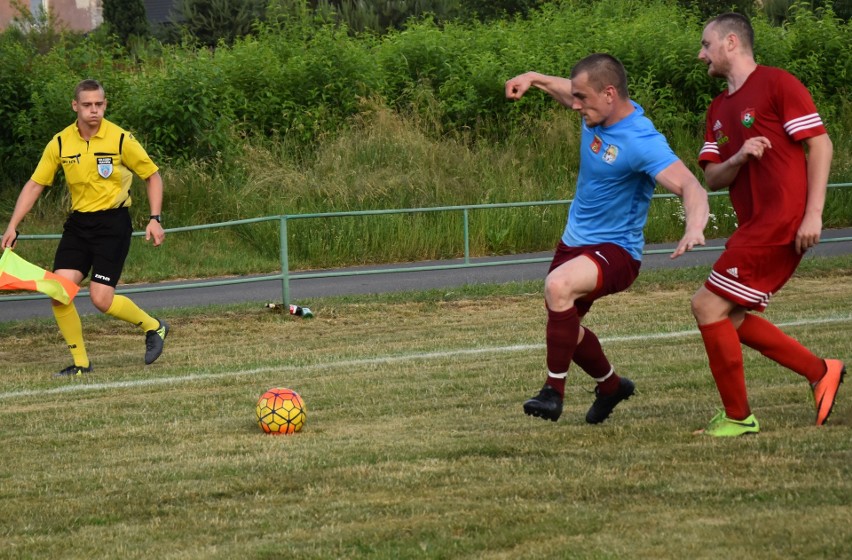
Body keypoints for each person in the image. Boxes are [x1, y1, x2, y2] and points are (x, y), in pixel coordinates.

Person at [505, 54, 709, 424]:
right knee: (566, 324)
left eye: (583, 98)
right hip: (574, 242)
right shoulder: (596, 108)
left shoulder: (641, 141)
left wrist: (694, 226)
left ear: (609, 94)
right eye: (576, 97)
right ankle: (612, 386)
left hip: (617, 251)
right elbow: (565, 91)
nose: (576, 104)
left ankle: (552, 392)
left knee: (558, 285)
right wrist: (532, 77)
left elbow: (689, 185)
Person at [692, 13, 845, 436]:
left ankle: (739, 417)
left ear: (731, 43)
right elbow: (712, 176)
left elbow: (820, 144)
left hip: (781, 222)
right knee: (729, 315)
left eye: (706, 44)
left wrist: (813, 215)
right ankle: (821, 370)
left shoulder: (778, 83)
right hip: (753, 225)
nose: (700, 53)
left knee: (706, 305)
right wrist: (738, 157)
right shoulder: (718, 109)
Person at [1, 79, 170, 377]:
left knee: (100, 299)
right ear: (75, 106)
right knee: (59, 291)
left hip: (113, 224)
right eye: (88, 105)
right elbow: (35, 184)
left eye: (99, 104)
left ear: (105, 105)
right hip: (79, 224)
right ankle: (81, 364)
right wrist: (13, 225)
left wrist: (155, 219)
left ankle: (154, 327)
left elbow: (152, 176)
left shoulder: (120, 139)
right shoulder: (61, 142)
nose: (94, 111)